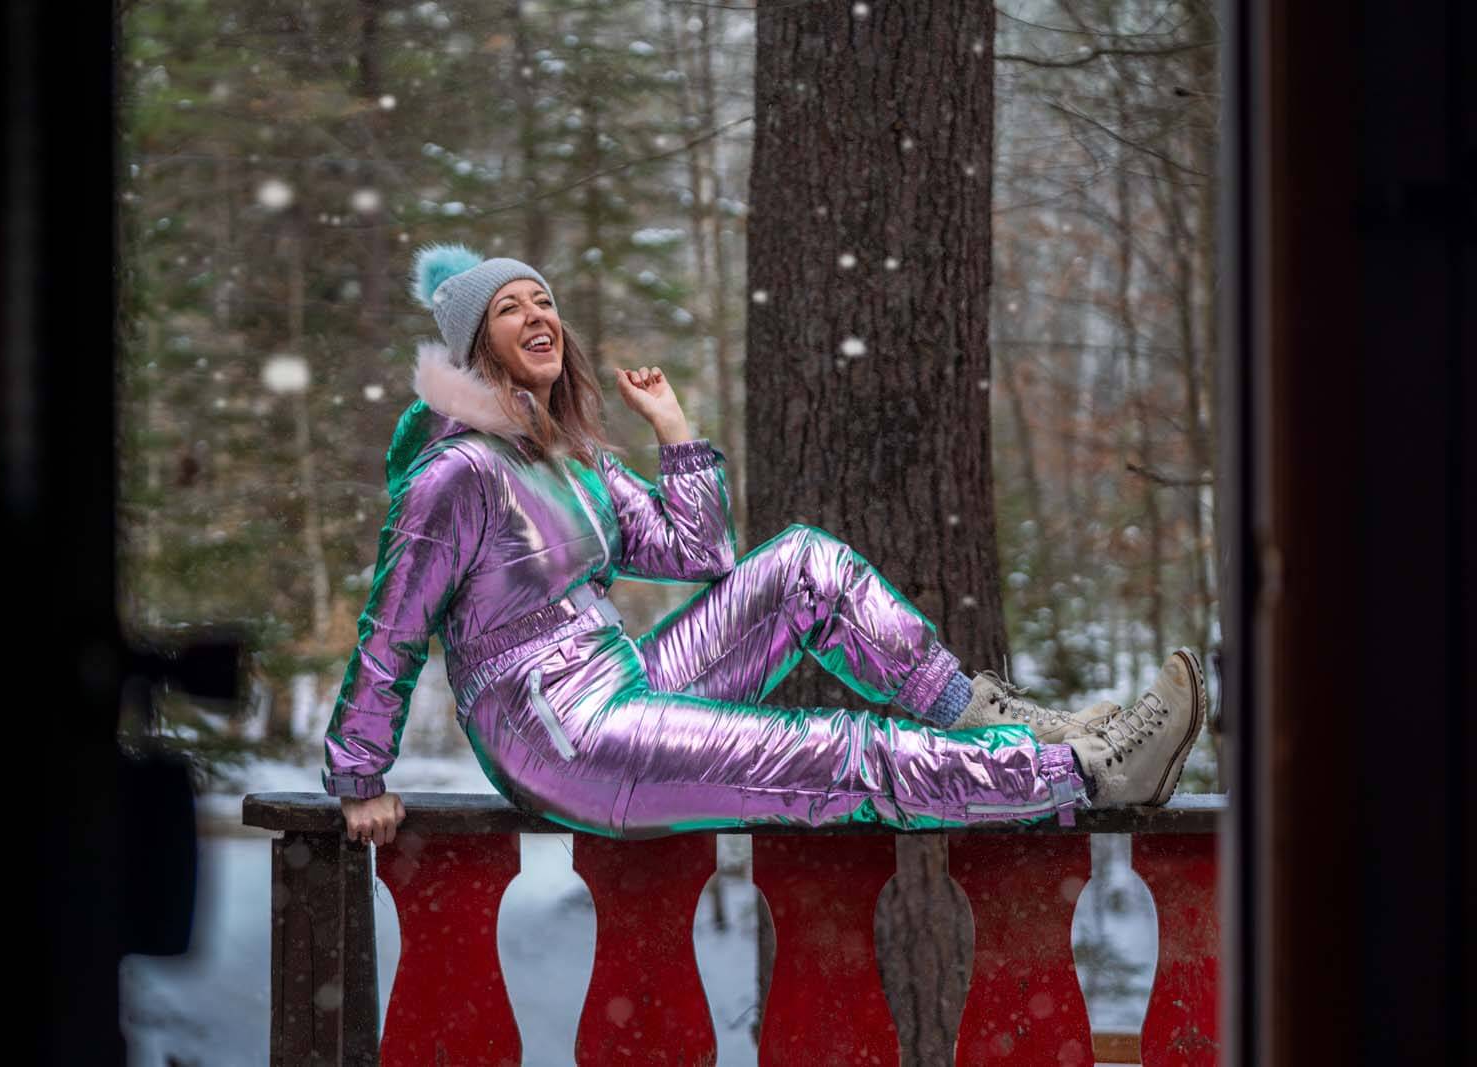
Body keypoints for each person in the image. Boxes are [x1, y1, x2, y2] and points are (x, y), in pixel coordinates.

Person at [323, 244, 1206, 847]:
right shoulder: (455, 475)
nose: (537, 315)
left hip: (624, 683)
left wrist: (674, 431)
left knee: (805, 568)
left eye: (544, 300)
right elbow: (390, 632)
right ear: (476, 346)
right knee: (832, 750)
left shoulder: (572, 457)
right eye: (509, 309)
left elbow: (701, 550)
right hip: (556, 736)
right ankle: (1084, 772)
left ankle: (1001, 721)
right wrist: (358, 777)